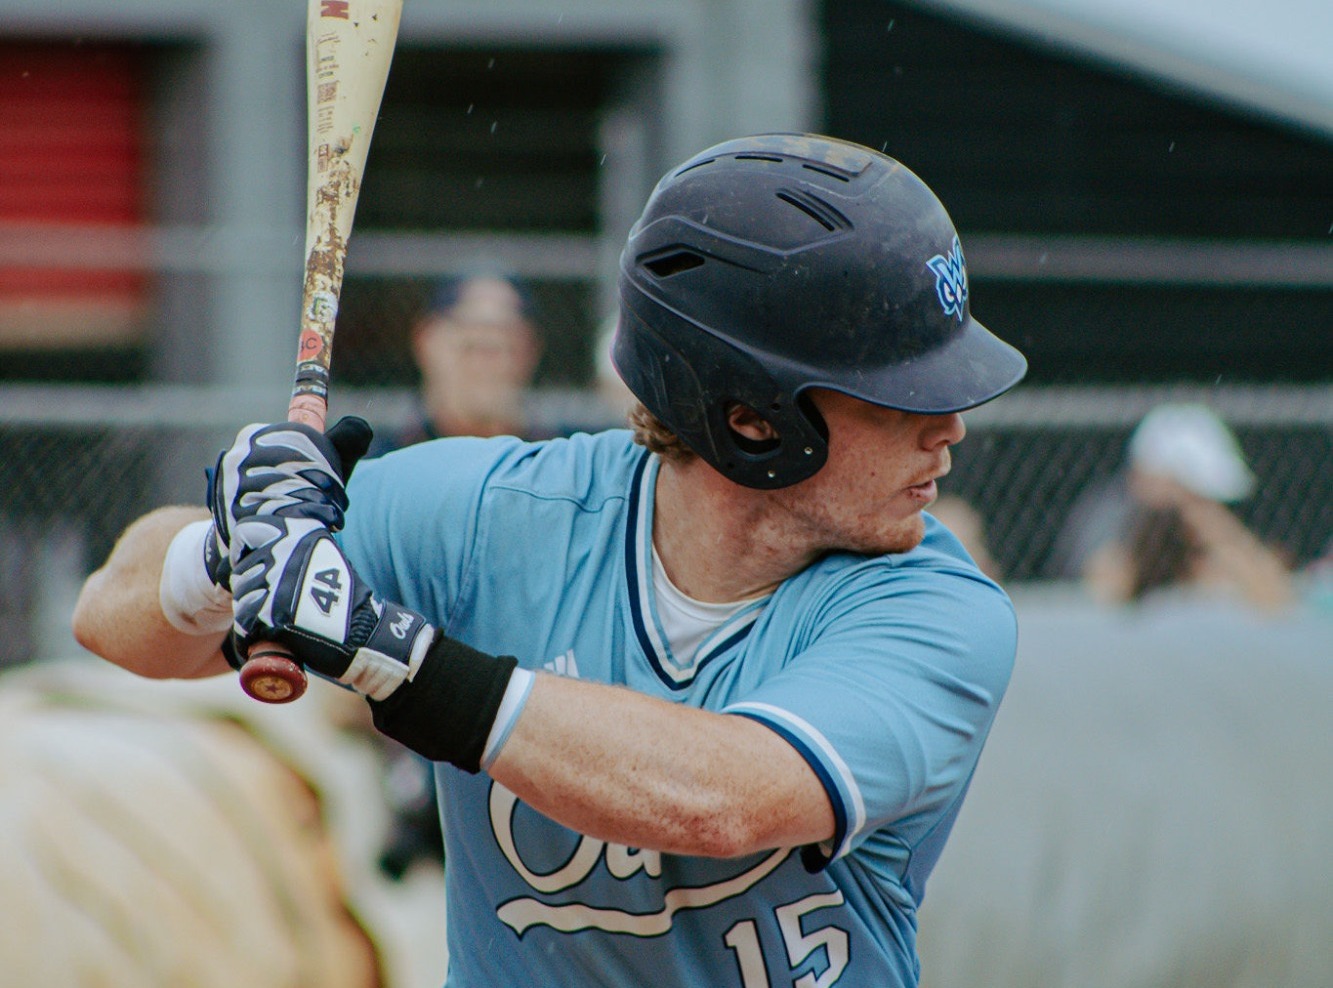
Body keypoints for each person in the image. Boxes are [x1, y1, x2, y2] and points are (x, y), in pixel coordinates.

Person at [73, 134, 1028, 988]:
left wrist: (389, 653)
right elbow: (113, 622)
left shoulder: (938, 612)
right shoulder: (495, 511)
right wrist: (226, 549)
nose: (949, 429)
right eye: (898, 399)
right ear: (750, 418)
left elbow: (716, 800)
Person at [1053, 403, 1295, 612]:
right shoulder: (1115, 513)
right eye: (1193, 493)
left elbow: (1274, 599)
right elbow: (1105, 592)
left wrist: (1210, 525)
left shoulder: (1206, 527)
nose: (1203, 507)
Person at [372, 267, 546, 455]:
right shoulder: (384, 462)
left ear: (530, 350)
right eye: (470, 346)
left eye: (503, 348)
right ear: (426, 342)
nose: (484, 367)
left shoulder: (554, 466)